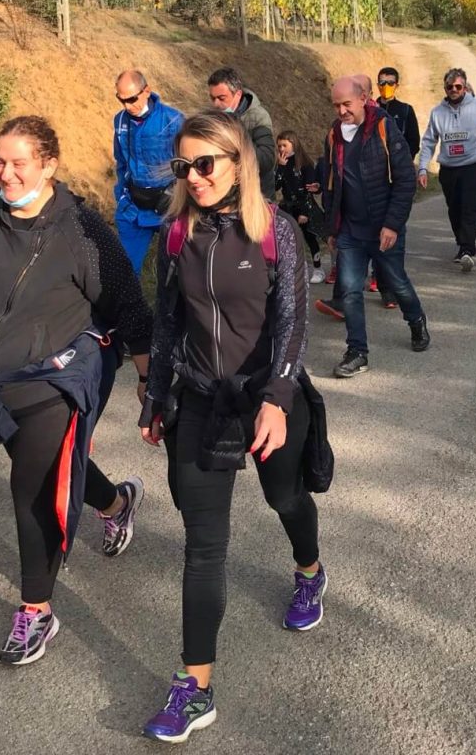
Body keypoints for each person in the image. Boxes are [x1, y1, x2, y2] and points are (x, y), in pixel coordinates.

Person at [0, 115, 153, 665]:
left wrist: (147, 379)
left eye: (18, 163)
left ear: (49, 165)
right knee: (48, 467)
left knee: (32, 487)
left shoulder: (82, 231)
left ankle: (35, 612)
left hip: (57, 379)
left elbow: (129, 311)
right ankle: (117, 502)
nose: (5, 173)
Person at [139, 111, 326, 743]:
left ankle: (309, 571)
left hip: (266, 397)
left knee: (284, 497)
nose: (194, 177)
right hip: (199, 400)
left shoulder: (275, 230)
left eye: (205, 164)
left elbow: (295, 323)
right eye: (184, 166)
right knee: (203, 546)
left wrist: (277, 398)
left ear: (238, 162)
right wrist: (154, 395)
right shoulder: (174, 237)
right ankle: (195, 688)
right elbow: (165, 323)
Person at [321, 77, 429, 378]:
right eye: (336, 105)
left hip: (384, 227)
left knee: (396, 283)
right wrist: (332, 227)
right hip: (350, 232)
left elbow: (405, 179)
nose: (341, 111)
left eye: (347, 104)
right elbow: (330, 184)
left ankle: (416, 319)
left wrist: (392, 224)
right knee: (352, 293)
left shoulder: (383, 127)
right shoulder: (333, 136)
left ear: (364, 99)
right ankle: (357, 352)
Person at [417, 68, 476, 272]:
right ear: (445, 88)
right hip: (448, 169)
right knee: (454, 209)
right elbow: (429, 141)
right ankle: (462, 242)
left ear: (465, 87)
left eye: (458, 86)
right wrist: (422, 168)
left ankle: (467, 249)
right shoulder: (437, 112)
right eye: (450, 87)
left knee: (470, 207)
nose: (454, 90)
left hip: (473, 167)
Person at [112, 70, 183, 274]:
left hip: (169, 209)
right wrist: (122, 196)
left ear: (146, 91)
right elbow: (121, 161)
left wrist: (178, 199)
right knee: (124, 271)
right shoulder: (120, 122)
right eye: (121, 100)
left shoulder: (173, 120)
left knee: (177, 273)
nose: (127, 106)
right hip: (133, 208)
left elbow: (186, 165)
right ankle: (127, 305)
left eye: (132, 99)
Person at [207, 67, 275, 194]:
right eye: (212, 98)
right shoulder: (213, 117)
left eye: (221, 98)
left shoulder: (258, 117)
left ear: (237, 95)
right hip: (226, 194)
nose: (216, 104)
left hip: (256, 195)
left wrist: (237, 130)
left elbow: (266, 160)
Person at [275, 130, 327, 282]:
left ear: (294, 144)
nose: (281, 149)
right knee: (286, 239)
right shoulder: (281, 164)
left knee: (310, 238)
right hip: (287, 207)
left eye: (284, 145)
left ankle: (318, 268)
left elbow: (308, 189)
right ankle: (289, 268)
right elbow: (276, 186)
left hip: (304, 206)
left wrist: (304, 212)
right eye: (279, 146)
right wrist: (280, 167)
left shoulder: (305, 164)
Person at [377, 66, 420, 160]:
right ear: (378, 85)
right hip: (375, 168)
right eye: (382, 83)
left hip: (400, 166)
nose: (386, 86)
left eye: (390, 83)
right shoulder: (370, 109)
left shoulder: (406, 110)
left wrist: (404, 162)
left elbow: (414, 142)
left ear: (396, 86)